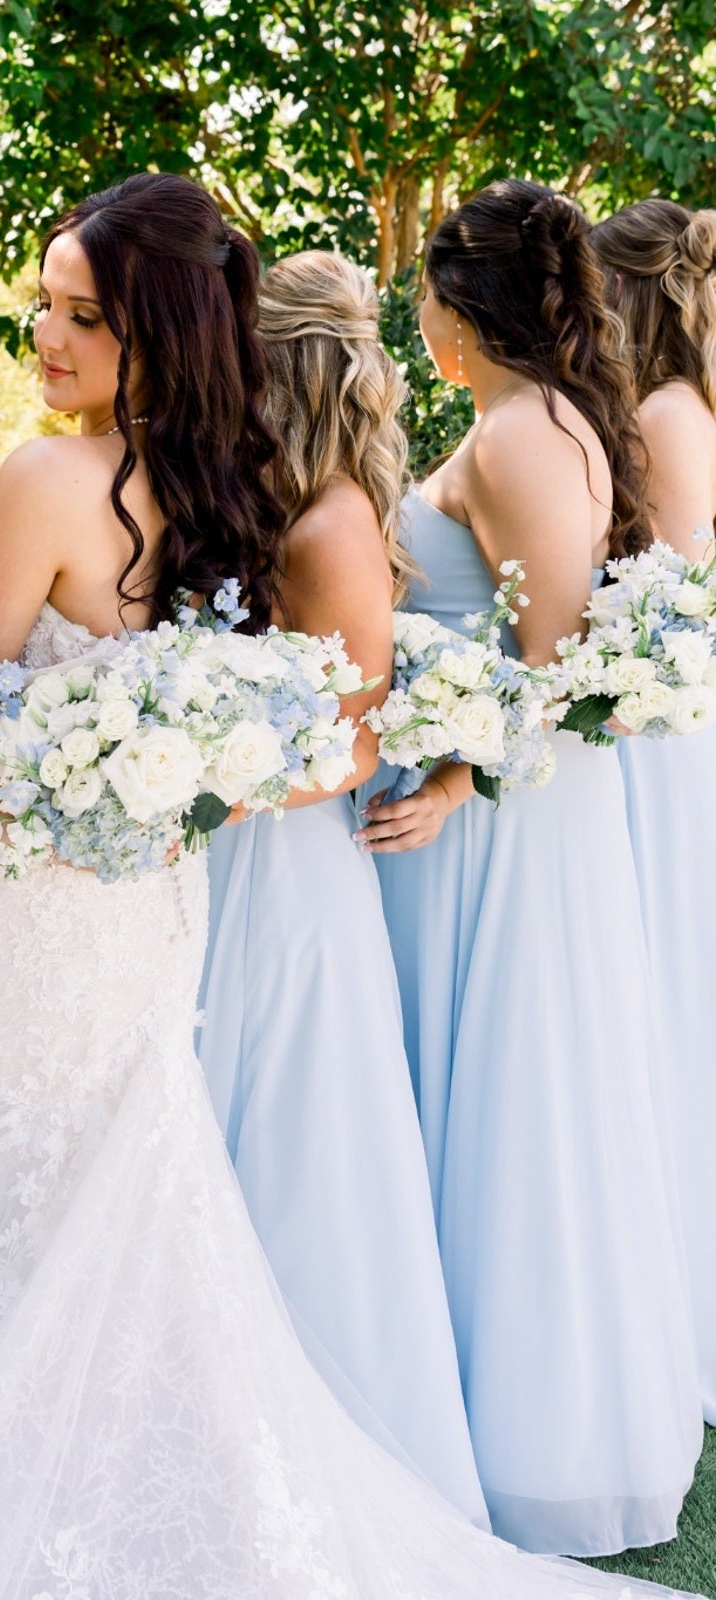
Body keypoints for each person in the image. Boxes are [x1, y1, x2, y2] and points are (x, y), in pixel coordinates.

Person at [0, 171, 696, 1600]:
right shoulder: (241, 487)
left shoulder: (48, 479)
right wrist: (153, 789)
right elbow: (294, 725)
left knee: (10, 1171)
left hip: (40, 898)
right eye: (44, 308)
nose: (45, 339)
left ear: (158, 330)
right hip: (150, 903)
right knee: (117, 1177)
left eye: (81, 317)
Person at [359, 179, 701, 1555]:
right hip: (494, 808)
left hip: (502, 823)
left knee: (516, 1087)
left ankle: (531, 1438)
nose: (420, 323)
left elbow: (556, 665)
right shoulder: (533, 420)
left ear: (462, 306)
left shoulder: (523, 438)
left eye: (425, 300)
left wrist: (453, 774)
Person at [197, 250, 485, 1525]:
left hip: (282, 860)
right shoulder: (265, 497)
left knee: (292, 1139)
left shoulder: (332, 524)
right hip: (233, 846)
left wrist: (203, 785)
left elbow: (352, 743)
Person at [593, 196, 716, 1424]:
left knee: (663, 981)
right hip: (650, 726)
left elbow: (663, 611)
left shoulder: (669, 415)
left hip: (655, 734)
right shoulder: (660, 408)